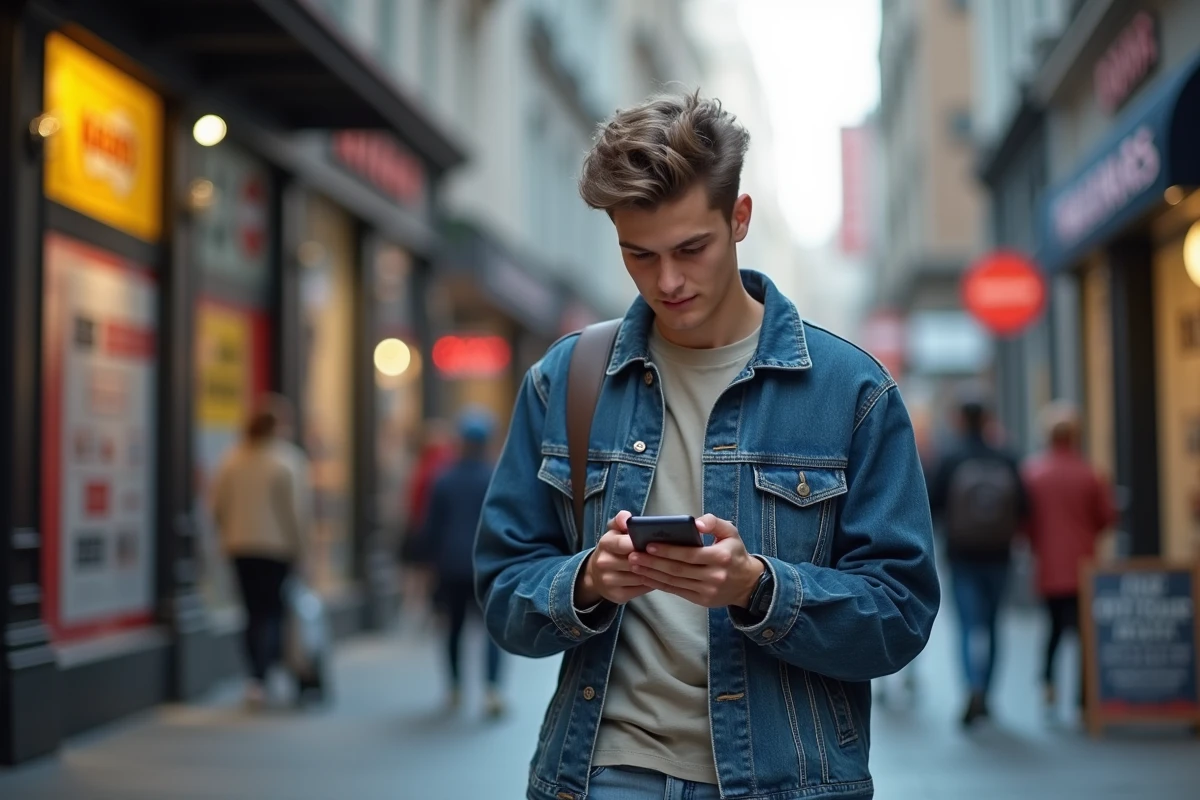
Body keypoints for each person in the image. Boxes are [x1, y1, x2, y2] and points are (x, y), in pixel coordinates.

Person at [474, 92, 939, 800]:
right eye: (639, 254)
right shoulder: (565, 380)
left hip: (786, 782)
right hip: (602, 774)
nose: (667, 280)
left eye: (692, 248)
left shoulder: (852, 391)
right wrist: (588, 582)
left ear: (739, 217)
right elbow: (504, 589)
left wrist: (760, 589)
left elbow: (901, 614)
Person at [928, 396, 1028, 727]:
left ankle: (971, 685)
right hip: (1000, 554)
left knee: (968, 626)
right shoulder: (1006, 456)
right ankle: (987, 693)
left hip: (962, 554)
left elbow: (934, 504)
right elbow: (1025, 506)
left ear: (960, 419)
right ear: (987, 419)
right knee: (994, 624)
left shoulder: (951, 456)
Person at [211, 394, 312, 707]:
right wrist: (302, 550)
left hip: (240, 546)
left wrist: (228, 534)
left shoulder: (232, 460)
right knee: (274, 611)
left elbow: (218, 507)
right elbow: (296, 511)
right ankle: (272, 670)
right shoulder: (288, 461)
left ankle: (255, 677)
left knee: (251, 612)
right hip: (276, 548)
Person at [1021, 402, 1117, 717]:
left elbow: (1026, 523)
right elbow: (1106, 517)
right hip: (1083, 565)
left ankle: (1049, 684)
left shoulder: (1033, 473)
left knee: (1053, 628)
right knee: (1085, 632)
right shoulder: (1090, 473)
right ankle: (1084, 695)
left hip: (1049, 565)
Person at [421, 408, 505, 718]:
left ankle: (455, 687)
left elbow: (430, 527)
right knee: (493, 628)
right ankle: (492, 689)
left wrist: (428, 564)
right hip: (487, 565)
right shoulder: (495, 477)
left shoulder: (443, 478)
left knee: (453, 628)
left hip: (450, 565)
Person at [398, 419, 456, 628]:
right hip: (438, 530)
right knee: (429, 573)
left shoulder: (424, 467)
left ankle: (417, 610)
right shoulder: (445, 466)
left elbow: (413, 501)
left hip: (422, 527)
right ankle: (428, 610)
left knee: (421, 573)